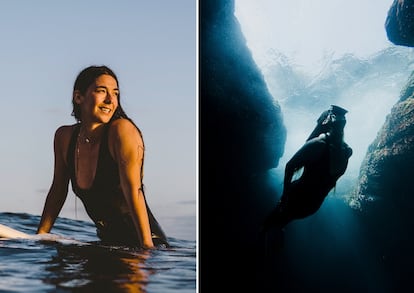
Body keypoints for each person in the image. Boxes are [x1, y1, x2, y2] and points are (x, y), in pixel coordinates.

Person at [37, 65, 168, 248]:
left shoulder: (121, 131)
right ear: (78, 97)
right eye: (101, 91)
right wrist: (40, 236)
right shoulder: (64, 137)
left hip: (142, 244)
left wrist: (147, 249)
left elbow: (134, 191)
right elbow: (58, 189)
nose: (110, 100)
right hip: (107, 244)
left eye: (115, 93)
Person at [262, 105, 353, 232]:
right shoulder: (347, 151)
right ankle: (280, 229)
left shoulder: (319, 144)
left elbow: (290, 166)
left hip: (295, 199)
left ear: (325, 121)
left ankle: (268, 237)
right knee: (284, 220)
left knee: (268, 224)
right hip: (312, 206)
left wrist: (284, 197)